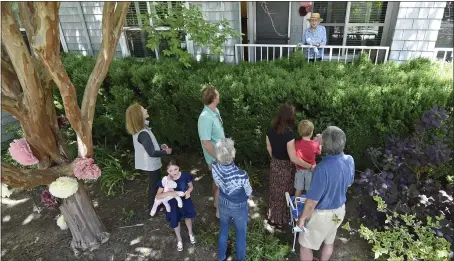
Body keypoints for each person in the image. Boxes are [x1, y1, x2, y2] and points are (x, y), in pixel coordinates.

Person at [297, 126, 354, 261]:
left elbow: (312, 202)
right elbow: (349, 183)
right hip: (339, 211)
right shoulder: (349, 159)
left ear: (324, 145)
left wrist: (302, 219)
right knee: (329, 241)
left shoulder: (322, 168)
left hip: (322, 216)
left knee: (305, 245)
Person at [265, 104, 313, 228]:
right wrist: (310, 166)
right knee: (284, 193)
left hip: (275, 164)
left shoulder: (270, 129)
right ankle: (281, 221)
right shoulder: (289, 135)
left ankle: (272, 217)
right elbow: (293, 158)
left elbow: (269, 147)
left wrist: (275, 158)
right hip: (286, 167)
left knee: (275, 192)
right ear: (290, 117)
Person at [126, 103, 172, 213]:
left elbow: (151, 146)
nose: (146, 109)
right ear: (138, 115)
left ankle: (156, 204)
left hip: (151, 164)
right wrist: (165, 152)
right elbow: (151, 152)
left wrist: (160, 146)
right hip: (151, 164)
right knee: (155, 185)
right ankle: (153, 206)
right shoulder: (143, 133)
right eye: (143, 109)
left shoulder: (142, 130)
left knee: (155, 184)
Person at [212, 138, 252, 261]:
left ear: (218, 154)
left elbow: (218, 184)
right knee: (241, 235)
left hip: (223, 201)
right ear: (233, 154)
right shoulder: (241, 174)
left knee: (224, 231)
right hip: (239, 206)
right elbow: (249, 191)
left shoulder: (215, 167)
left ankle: (221, 257)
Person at [156, 159, 197, 252]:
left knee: (187, 217)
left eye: (175, 169)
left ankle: (190, 233)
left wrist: (189, 192)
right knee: (176, 220)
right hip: (172, 203)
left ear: (179, 167)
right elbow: (158, 195)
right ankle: (179, 239)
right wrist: (170, 194)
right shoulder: (165, 180)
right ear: (166, 171)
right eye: (170, 170)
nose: (173, 172)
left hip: (185, 200)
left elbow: (190, 186)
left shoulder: (185, 176)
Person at [197, 85, 225, 218]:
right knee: (221, 182)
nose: (219, 95)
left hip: (221, 153)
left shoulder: (215, 111)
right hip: (216, 157)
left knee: (217, 181)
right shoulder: (205, 117)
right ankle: (219, 211)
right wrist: (218, 156)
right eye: (217, 94)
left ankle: (215, 203)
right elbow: (206, 143)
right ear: (214, 98)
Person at [294, 120, 322, 198]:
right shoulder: (315, 145)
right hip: (311, 170)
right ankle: (308, 204)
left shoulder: (296, 143)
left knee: (298, 188)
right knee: (309, 189)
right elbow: (319, 152)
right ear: (311, 132)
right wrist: (320, 142)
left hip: (299, 170)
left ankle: (295, 203)